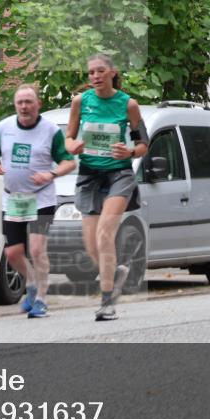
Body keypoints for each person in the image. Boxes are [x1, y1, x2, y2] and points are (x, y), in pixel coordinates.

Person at [0, 84, 76, 317]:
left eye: (28, 102)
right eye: (20, 102)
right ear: (15, 105)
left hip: (41, 198)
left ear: (38, 104)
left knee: (37, 249)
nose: (24, 106)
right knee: (12, 253)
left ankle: (41, 298)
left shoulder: (51, 130)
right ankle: (31, 283)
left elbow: (69, 162)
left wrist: (51, 174)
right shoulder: (4, 127)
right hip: (12, 199)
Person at [65, 53, 148, 321]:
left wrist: (130, 152)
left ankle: (107, 303)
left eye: (100, 71)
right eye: (91, 73)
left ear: (113, 72)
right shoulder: (80, 102)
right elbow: (67, 138)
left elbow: (143, 145)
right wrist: (72, 146)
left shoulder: (128, 105)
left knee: (104, 234)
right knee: (91, 247)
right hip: (89, 174)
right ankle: (117, 273)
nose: (95, 77)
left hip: (118, 175)